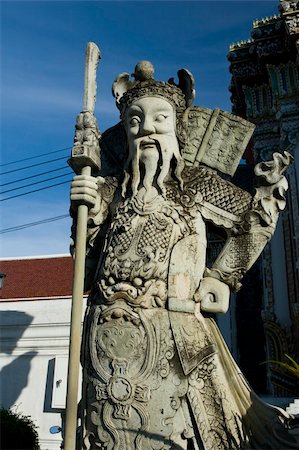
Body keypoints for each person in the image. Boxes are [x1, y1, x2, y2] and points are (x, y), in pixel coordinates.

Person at [70, 62, 297, 449]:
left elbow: (254, 219)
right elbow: (86, 264)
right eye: (135, 122)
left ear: (177, 125)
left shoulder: (194, 185)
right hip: (104, 331)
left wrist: (221, 276)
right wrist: (86, 214)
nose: (147, 129)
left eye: (161, 118)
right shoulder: (110, 192)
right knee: (107, 425)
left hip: (171, 328)